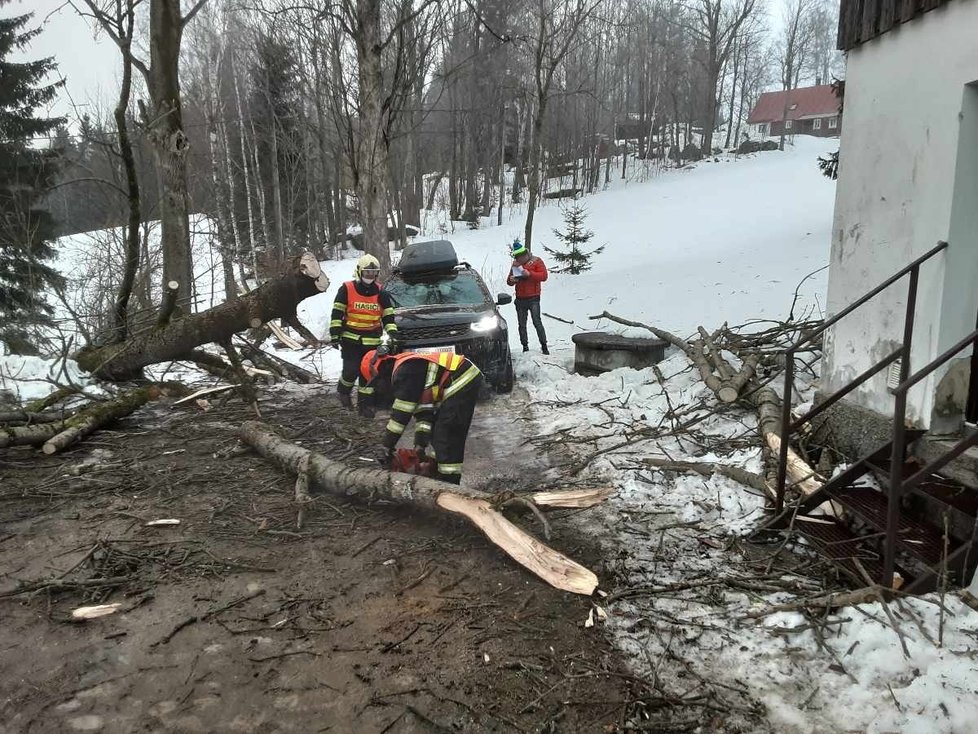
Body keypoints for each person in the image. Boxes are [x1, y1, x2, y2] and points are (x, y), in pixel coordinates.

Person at [361, 346, 483, 485]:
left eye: (377, 382)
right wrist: (420, 444)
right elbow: (424, 413)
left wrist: (387, 445)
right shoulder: (407, 368)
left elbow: (400, 416)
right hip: (458, 377)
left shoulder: (404, 371)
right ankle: (437, 474)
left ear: (378, 370)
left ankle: (450, 483)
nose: (380, 387)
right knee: (438, 435)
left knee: (446, 433)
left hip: (461, 376)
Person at [329, 254, 397, 417]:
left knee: (368, 374)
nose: (370, 275)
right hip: (350, 341)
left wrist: (393, 333)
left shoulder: (382, 293)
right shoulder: (347, 288)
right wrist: (335, 335)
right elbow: (337, 313)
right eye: (367, 272)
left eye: (373, 272)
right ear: (359, 272)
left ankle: (365, 407)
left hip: (372, 343)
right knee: (351, 371)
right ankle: (343, 392)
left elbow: (388, 317)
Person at [505, 239, 549, 355]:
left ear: (526, 254)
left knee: (537, 321)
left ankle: (544, 345)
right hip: (520, 299)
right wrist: (511, 280)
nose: (519, 260)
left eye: (521, 257)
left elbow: (544, 276)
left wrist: (529, 274)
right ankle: (525, 346)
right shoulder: (515, 265)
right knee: (521, 324)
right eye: (517, 258)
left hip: (533, 298)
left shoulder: (536, 261)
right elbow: (509, 281)